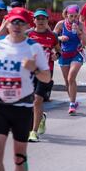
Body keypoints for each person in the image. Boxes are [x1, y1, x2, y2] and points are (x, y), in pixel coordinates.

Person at [0, 7, 51, 171]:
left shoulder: (34, 48)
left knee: (19, 156)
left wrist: (35, 69)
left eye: (20, 22)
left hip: (22, 108)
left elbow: (46, 77)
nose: (16, 25)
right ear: (7, 23)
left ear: (26, 26)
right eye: (13, 21)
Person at [27, 9, 61, 142]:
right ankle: (40, 117)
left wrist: (56, 56)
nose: (41, 21)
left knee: (37, 99)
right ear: (34, 20)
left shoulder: (52, 36)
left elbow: (58, 51)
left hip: (45, 72)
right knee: (30, 100)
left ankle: (33, 131)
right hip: (29, 72)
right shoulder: (28, 34)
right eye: (38, 18)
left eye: (43, 18)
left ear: (47, 21)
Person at [54, 5, 86, 115]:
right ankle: (72, 100)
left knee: (71, 77)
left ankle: (72, 104)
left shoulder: (81, 25)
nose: (74, 18)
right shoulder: (61, 24)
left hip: (77, 53)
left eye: (76, 16)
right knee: (67, 81)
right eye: (71, 16)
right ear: (66, 15)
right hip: (64, 54)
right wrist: (60, 38)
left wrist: (79, 32)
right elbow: (52, 36)